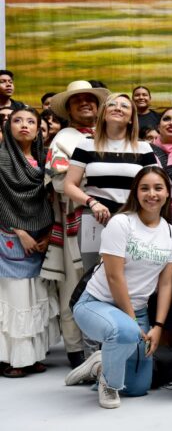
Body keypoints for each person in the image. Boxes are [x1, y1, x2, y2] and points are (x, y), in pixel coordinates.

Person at [67, 167, 172, 408]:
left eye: (158, 188)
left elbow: (166, 283)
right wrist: (132, 322)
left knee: (138, 388)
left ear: (167, 193)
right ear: (135, 192)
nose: (152, 194)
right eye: (144, 188)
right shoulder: (121, 223)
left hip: (138, 310)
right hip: (96, 303)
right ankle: (108, 383)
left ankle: (99, 365)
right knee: (126, 332)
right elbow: (114, 276)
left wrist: (158, 326)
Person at [41, 80, 109, 369]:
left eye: (89, 99)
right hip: (76, 221)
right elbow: (58, 181)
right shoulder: (64, 139)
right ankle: (75, 347)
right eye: (77, 100)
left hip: (108, 220)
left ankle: (105, 342)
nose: (84, 103)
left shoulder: (107, 135)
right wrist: (97, 185)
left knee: (106, 280)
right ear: (68, 109)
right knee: (75, 283)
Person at [64, 92, 156, 273]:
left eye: (124, 106)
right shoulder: (86, 145)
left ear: (131, 118)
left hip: (133, 219)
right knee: (92, 274)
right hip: (95, 218)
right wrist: (92, 202)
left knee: (131, 274)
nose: (118, 108)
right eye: (112, 104)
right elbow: (69, 185)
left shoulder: (143, 148)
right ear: (104, 114)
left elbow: (155, 185)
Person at [0, 108, 57, 378]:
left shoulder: (44, 161)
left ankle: (31, 356)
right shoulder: (1, 158)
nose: (24, 125)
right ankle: (12, 359)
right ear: (8, 126)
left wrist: (48, 233)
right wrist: (19, 230)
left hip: (40, 239)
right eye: (18, 120)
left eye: (31, 121)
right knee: (15, 299)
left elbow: (51, 200)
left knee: (35, 295)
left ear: (38, 130)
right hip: (10, 238)